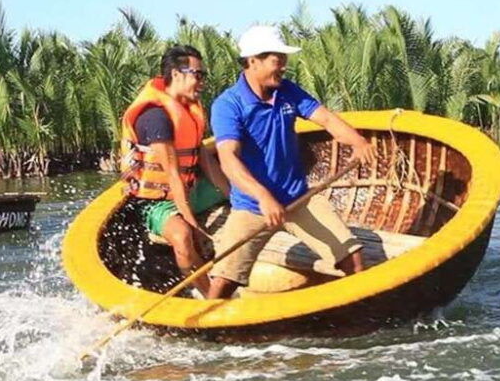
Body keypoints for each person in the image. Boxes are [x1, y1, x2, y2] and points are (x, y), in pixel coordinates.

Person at [207, 25, 378, 299]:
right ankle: (206, 323)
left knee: (353, 259)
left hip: (298, 200)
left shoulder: (288, 91)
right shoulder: (228, 105)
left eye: (284, 59)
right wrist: (263, 196)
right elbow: (228, 159)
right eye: (278, 60)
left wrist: (358, 142)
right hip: (253, 206)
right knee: (223, 282)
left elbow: (326, 119)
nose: (284, 66)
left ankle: (361, 315)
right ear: (253, 61)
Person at [120, 45, 230, 297]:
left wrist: (235, 195)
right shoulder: (155, 117)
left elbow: (205, 160)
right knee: (182, 237)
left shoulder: (188, 109)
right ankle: (209, 295)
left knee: (245, 186)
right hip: (156, 201)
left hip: (190, 190)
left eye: (203, 75)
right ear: (176, 74)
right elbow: (172, 176)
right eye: (198, 75)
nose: (202, 82)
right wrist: (193, 225)